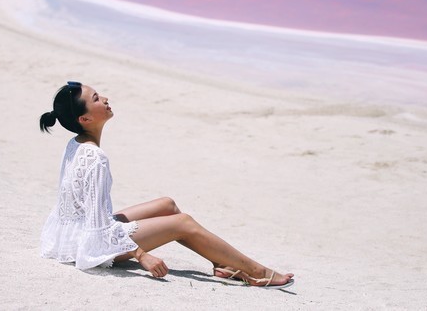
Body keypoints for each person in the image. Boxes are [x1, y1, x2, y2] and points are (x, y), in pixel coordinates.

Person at [39, 81, 294, 289]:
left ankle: (225, 264)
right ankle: (256, 272)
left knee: (167, 204)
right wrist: (142, 256)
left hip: (72, 234)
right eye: (95, 98)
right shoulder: (95, 157)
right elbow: (98, 227)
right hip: (91, 243)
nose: (104, 98)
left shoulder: (76, 144)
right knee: (183, 223)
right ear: (84, 119)